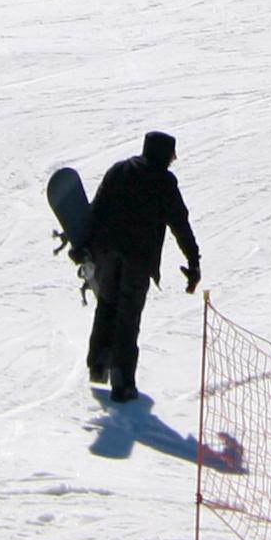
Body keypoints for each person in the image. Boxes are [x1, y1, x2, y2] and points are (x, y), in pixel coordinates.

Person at [84, 129, 201, 406]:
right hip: (137, 261)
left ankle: (98, 366)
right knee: (128, 318)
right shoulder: (163, 182)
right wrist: (193, 260)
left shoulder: (119, 170)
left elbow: (96, 209)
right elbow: (180, 224)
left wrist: (87, 248)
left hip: (107, 255)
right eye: (172, 152)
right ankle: (123, 385)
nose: (174, 158)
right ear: (162, 153)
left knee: (107, 307)